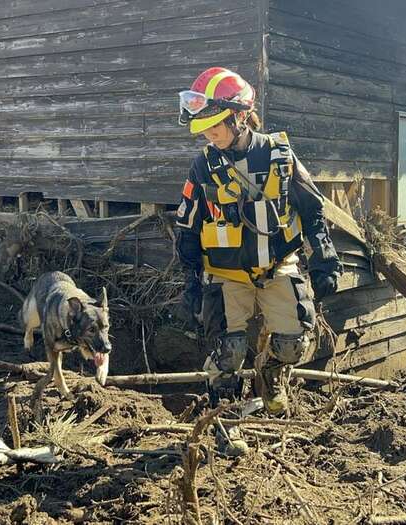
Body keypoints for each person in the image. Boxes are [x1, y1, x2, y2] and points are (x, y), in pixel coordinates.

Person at [174, 67, 342, 450]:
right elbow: (187, 226)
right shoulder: (202, 165)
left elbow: (312, 209)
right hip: (225, 274)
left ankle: (270, 374)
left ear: (238, 116)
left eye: (214, 126)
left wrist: (325, 259)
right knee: (228, 351)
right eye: (203, 128)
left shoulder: (280, 155)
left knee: (294, 342)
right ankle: (224, 422)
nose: (208, 135)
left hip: (278, 264)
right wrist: (191, 281)